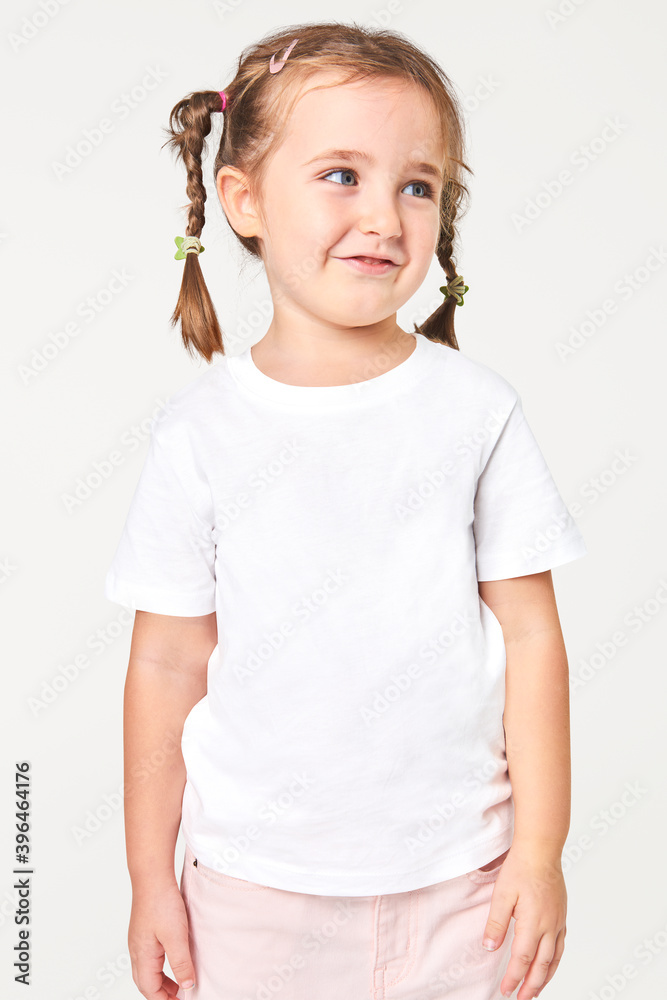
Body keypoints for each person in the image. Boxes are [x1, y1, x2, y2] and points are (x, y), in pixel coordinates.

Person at [104, 22, 588, 1000]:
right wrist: (149, 879)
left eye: (417, 184)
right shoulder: (200, 433)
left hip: (462, 885)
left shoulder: (474, 410)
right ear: (242, 201)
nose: (385, 214)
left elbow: (532, 637)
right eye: (341, 175)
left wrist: (538, 852)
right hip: (252, 895)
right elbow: (164, 661)